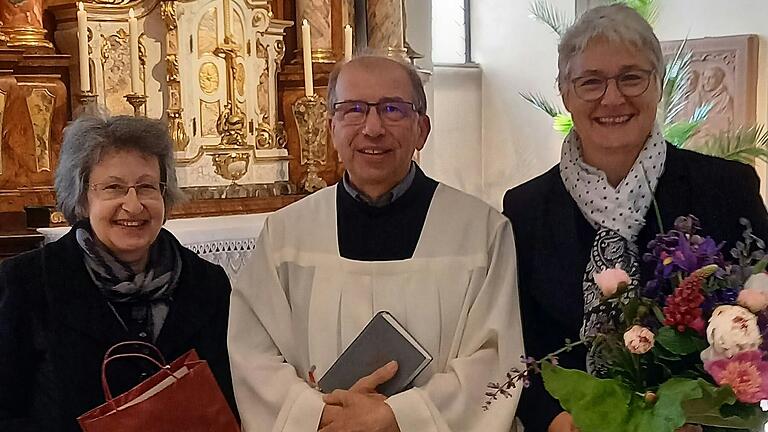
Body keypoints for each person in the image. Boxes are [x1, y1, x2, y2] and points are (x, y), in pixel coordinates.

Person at [502, 5, 768, 432]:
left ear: (658, 85)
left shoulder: (726, 188)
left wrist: (704, 417)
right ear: (566, 93)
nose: (612, 98)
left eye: (631, 77)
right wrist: (557, 422)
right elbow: (518, 346)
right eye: (591, 82)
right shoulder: (525, 209)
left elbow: (761, 325)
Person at [228, 55, 524, 431]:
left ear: (422, 129)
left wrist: (397, 417)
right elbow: (254, 354)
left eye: (392, 109)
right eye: (352, 109)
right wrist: (318, 415)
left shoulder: (481, 232)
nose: (372, 128)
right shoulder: (286, 234)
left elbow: (495, 360)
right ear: (331, 127)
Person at [0, 115, 238, 431]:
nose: (133, 204)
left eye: (146, 187)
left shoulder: (207, 284)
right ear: (82, 197)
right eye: (113, 187)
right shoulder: (27, 283)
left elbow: (231, 396)